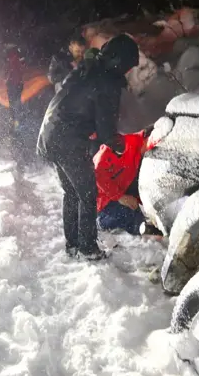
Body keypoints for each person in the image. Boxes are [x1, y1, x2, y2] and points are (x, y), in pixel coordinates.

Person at [36, 34, 140, 260]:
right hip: (67, 141)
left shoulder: (88, 68)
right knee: (87, 194)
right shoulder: (106, 82)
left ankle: (73, 244)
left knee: (72, 193)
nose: (127, 72)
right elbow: (107, 132)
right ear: (120, 62)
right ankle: (88, 249)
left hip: (49, 134)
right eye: (128, 67)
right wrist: (126, 144)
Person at [94, 129, 152, 235]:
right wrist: (120, 197)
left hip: (123, 190)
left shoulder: (135, 141)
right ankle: (100, 222)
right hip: (104, 202)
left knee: (137, 216)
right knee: (126, 216)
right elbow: (100, 179)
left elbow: (147, 137)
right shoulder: (103, 159)